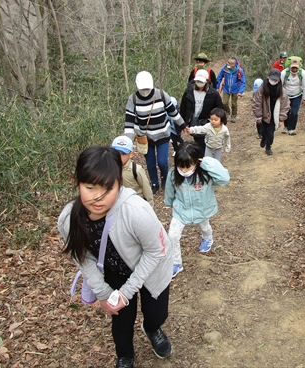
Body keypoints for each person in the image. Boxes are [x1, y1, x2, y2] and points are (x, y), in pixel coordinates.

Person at [58, 146, 173, 368]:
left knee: (156, 313)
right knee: (121, 320)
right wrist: (103, 292)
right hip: (116, 270)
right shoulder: (68, 219)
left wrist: (127, 292)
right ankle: (125, 355)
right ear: (77, 183)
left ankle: (151, 328)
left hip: (152, 267)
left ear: (119, 185)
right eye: (89, 187)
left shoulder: (135, 211)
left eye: (107, 188)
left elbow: (155, 250)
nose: (97, 197)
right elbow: (82, 257)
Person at [164, 142, 230, 277]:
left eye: (188, 167)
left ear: (197, 161)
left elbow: (224, 178)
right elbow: (169, 190)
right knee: (172, 235)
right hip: (181, 210)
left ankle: (207, 238)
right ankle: (176, 262)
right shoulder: (173, 174)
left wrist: (206, 162)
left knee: (204, 226)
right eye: (180, 167)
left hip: (202, 209)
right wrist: (169, 202)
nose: (183, 170)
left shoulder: (205, 173)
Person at [124, 71, 185, 194]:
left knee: (162, 162)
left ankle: (164, 178)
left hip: (163, 133)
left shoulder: (161, 94)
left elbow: (173, 112)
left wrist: (182, 124)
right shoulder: (133, 99)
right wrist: (127, 143)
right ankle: (154, 182)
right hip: (145, 137)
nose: (145, 90)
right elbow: (129, 122)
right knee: (150, 163)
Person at [179, 69, 223, 153]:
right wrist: (182, 124)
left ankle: (206, 157)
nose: (199, 83)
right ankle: (202, 157)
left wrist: (221, 122)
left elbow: (220, 109)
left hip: (207, 121)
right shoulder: (188, 92)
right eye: (197, 81)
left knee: (206, 142)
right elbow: (183, 107)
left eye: (201, 81)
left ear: (207, 81)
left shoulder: (213, 93)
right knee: (199, 141)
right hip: (194, 120)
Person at [252, 68, 291, 156]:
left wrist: (281, 119)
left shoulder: (281, 90)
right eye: (272, 79)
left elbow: (286, 105)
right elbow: (256, 102)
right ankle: (263, 138)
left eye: (276, 79)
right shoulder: (262, 88)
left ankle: (268, 146)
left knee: (270, 132)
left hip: (275, 115)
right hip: (264, 113)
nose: (274, 81)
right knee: (263, 131)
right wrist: (258, 116)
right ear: (268, 77)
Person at [111, 135, 154, 208]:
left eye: (123, 154)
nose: (119, 157)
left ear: (131, 154)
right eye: (116, 153)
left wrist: (150, 206)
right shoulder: (109, 169)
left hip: (136, 205)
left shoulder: (136, 170)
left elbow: (146, 189)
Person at [280, 58, 305, 135]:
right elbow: (279, 85)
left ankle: (291, 128)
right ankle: (286, 126)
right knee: (286, 111)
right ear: (290, 66)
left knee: (294, 112)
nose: (294, 69)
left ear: (299, 67)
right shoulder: (284, 73)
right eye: (293, 67)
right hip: (286, 95)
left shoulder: (302, 73)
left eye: (296, 67)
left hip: (297, 94)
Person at [216, 56, 246, 123]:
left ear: (234, 64)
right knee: (224, 103)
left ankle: (234, 115)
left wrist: (240, 91)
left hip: (235, 89)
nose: (228, 64)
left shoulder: (239, 71)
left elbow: (243, 82)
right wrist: (217, 87)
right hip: (226, 88)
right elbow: (218, 78)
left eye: (230, 63)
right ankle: (227, 111)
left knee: (234, 104)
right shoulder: (224, 69)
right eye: (228, 62)